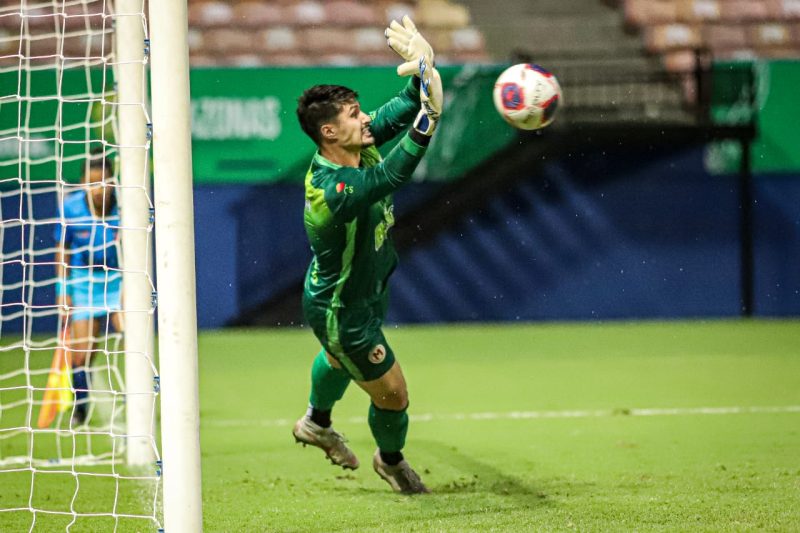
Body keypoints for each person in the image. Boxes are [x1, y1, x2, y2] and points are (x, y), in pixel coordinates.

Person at [291, 17, 443, 494]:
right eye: (355, 114)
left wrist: (425, 69)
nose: (365, 118)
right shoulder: (329, 189)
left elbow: (403, 109)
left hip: (364, 289)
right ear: (330, 133)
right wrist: (428, 121)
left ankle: (316, 422)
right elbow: (388, 179)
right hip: (343, 309)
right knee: (394, 394)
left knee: (337, 362)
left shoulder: (357, 142)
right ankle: (392, 461)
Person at [54, 155, 122, 426]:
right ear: (83, 183)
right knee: (83, 352)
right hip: (83, 282)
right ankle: (80, 407)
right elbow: (64, 248)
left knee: (133, 337)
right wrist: (63, 289)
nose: (98, 188)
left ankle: (141, 396)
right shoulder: (70, 208)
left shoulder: (126, 207)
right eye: (92, 182)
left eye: (104, 181)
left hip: (118, 279)